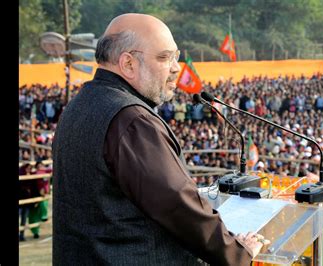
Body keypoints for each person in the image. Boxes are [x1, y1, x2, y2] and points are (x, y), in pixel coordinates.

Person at [52, 13, 268, 265]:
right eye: (164, 57)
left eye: (176, 57)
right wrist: (237, 253)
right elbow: (177, 206)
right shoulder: (132, 120)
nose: (176, 68)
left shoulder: (78, 105)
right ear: (129, 64)